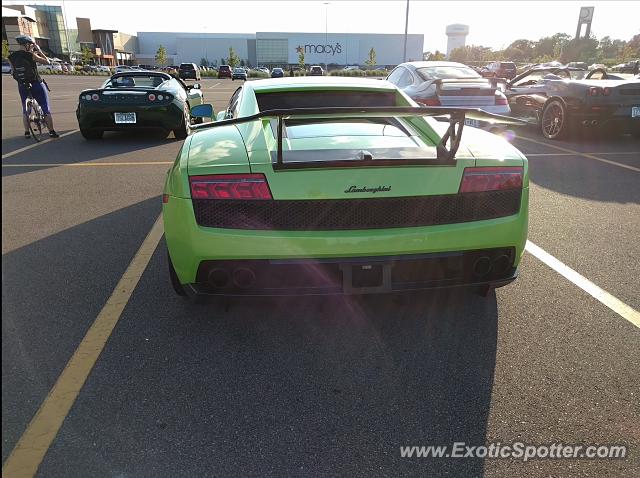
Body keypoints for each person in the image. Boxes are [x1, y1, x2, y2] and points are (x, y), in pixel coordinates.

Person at [8, 35, 59, 138]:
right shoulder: (30, 55)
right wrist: (39, 50)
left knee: (25, 109)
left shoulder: (11, 57)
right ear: (27, 44)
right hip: (36, 83)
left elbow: (12, 72)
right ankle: (51, 131)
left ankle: (27, 132)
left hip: (22, 85)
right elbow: (47, 61)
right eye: (30, 44)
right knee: (45, 107)